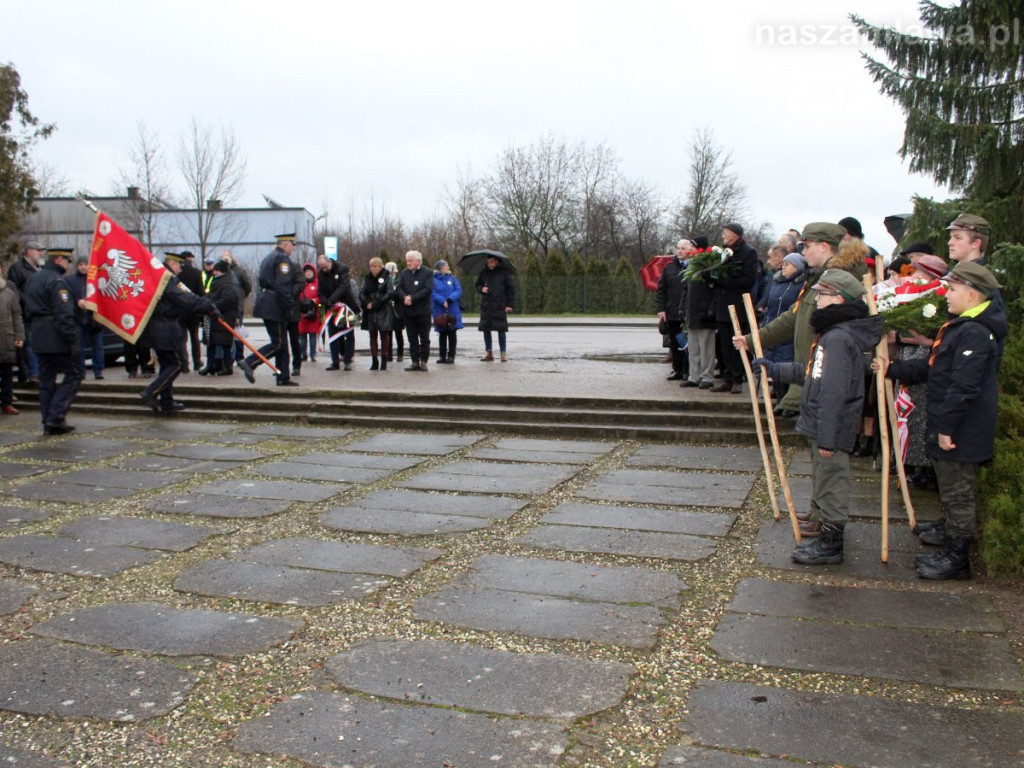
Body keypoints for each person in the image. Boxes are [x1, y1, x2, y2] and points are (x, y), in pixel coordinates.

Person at [882, 261, 1006, 580]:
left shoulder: (975, 333)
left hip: (963, 429)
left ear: (972, 294)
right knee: (950, 489)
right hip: (952, 424)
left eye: (952, 289)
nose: (946, 294)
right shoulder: (962, 326)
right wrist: (893, 369)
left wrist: (947, 427)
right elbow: (934, 368)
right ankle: (949, 538)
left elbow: (964, 386)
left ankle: (957, 558)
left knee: (958, 493)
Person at [752, 269, 883, 563]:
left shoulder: (837, 338)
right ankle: (826, 533)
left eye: (822, 294)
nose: (817, 299)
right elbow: (814, 374)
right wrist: (774, 369)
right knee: (825, 480)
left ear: (838, 299)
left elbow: (834, 391)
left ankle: (831, 544)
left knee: (832, 483)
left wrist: (827, 436)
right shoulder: (832, 333)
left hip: (831, 426)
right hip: (825, 424)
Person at [734, 223, 867, 417]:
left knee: (826, 432)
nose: (803, 253)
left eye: (807, 246)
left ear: (824, 246)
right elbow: (793, 317)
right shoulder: (818, 277)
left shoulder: (840, 282)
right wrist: (753, 340)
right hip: (809, 378)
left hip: (826, 382)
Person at [139, 253, 218, 413]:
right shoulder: (167, 279)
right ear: (172, 264)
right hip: (165, 327)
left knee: (167, 364)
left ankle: (167, 402)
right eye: (179, 266)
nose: (181, 270)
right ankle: (151, 391)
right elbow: (185, 298)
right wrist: (207, 306)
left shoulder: (157, 276)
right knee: (177, 364)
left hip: (157, 326)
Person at [23, 247, 82, 434]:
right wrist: (71, 340)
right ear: (58, 260)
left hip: (38, 334)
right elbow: (63, 313)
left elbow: (26, 309)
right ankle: (55, 416)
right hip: (56, 335)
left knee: (46, 379)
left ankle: (48, 420)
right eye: (67, 261)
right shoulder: (57, 282)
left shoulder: (33, 279)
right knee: (74, 375)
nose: (68, 265)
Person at [239, 233, 297, 386]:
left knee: (282, 344)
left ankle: (283, 377)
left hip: (268, 302)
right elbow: (283, 286)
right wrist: (289, 306)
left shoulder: (269, 257)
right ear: (285, 244)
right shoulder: (282, 259)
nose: (293, 249)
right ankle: (250, 362)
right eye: (292, 245)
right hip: (275, 304)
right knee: (278, 344)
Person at [710, 222, 760, 394]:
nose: (723, 236)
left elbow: (749, 280)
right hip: (722, 304)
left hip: (738, 304)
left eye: (726, 233)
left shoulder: (748, 252)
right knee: (724, 344)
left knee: (737, 343)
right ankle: (727, 377)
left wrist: (724, 281)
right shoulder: (722, 252)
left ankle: (738, 378)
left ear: (734, 234)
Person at [760, 252, 805, 408]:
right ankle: (779, 399)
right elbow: (770, 306)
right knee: (774, 363)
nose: (783, 267)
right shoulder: (777, 281)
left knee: (787, 363)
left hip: (789, 330)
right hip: (773, 326)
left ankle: (789, 402)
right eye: (783, 263)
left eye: (788, 264)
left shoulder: (801, 284)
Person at [7, 240, 43, 383]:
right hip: (26, 313)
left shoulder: (40, 269)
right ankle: (32, 372)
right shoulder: (17, 268)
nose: (40, 254)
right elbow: (14, 290)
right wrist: (29, 302)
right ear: (29, 252)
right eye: (38, 251)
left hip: (40, 313)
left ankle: (38, 371)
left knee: (38, 343)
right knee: (28, 344)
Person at [682, 236, 716, 389]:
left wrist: (711, 309)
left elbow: (715, 289)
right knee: (693, 348)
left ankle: (707, 376)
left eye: (693, 247)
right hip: (692, 312)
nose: (690, 250)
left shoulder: (710, 265)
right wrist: (682, 308)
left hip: (705, 313)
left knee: (706, 348)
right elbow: (686, 290)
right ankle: (694, 376)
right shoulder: (690, 266)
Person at [656, 240, 691, 382]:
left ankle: (688, 370)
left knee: (688, 344)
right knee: (675, 343)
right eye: (678, 248)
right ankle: (677, 369)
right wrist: (661, 309)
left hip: (688, 312)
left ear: (689, 250)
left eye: (683, 248)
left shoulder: (694, 267)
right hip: (672, 311)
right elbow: (661, 290)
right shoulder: (669, 268)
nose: (679, 251)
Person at [201, 260, 243, 376]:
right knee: (211, 342)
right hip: (214, 315)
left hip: (225, 316)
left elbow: (227, 300)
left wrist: (212, 306)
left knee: (225, 343)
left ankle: (227, 366)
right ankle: (210, 365)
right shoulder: (218, 281)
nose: (214, 272)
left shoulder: (229, 284)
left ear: (222, 271)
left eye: (216, 270)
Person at [67, 256, 105, 380]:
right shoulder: (70, 280)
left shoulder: (96, 279)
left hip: (95, 319)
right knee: (79, 347)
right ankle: (80, 371)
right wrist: (77, 302)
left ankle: (98, 370)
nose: (83, 267)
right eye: (81, 264)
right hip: (78, 318)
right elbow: (68, 297)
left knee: (98, 346)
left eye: (86, 264)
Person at [396, 250, 434, 371]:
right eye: (407, 261)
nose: (408, 263)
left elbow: (427, 289)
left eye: (411, 261)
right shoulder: (404, 273)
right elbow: (399, 288)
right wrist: (404, 297)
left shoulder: (428, 272)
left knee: (424, 338)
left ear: (418, 261)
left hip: (423, 311)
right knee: (412, 338)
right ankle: (414, 361)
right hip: (408, 312)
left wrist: (413, 298)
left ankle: (424, 361)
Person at [320, 256, 358, 371]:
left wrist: (332, 300)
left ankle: (348, 360)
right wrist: (326, 302)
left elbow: (343, 287)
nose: (324, 270)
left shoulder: (342, 269)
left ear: (329, 262)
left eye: (325, 267)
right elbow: (319, 291)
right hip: (331, 308)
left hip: (345, 305)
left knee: (348, 334)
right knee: (333, 334)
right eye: (322, 268)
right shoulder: (320, 274)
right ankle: (335, 361)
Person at [476, 254, 515, 362]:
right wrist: (481, 289)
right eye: (488, 262)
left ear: (497, 261)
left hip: (500, 305)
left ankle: (503, 353)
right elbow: (478, 285)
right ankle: (489, 352)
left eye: (492, 262)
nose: (489, 264)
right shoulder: (484, 272)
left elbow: (511, 290)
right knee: (486, 329)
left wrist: (509, 305)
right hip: (487, 306)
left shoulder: (504, 273)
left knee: (501, 330)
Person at [360, 256, 394, 370]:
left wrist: (376, 303)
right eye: (372, 266)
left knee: (384, 336)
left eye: (376, 266)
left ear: (381, 267)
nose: (374, 269)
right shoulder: (367, 278)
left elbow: (389, 293)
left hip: (383, 309)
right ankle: (374, 360)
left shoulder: (387, 277)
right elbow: (362, 293)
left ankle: (384, 360)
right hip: (370, 311)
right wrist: (366, 303)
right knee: (372, 336)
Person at [220, 250, 252, 363]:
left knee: (238, 331)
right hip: (225, 306)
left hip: (237, 305)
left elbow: (248, 286)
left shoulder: (239, 271)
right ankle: (228, 357)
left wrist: (241, 296)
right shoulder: (220, 271)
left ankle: (239, 356)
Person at [0, 271, 24, 415]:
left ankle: (7, 402)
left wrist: (19, 335)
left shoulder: (9, 293)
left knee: (7, 373)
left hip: (6, 337)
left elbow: (17, 315)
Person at [178, 251, 205, 372]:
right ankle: (197, 362)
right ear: (190, 259)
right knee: (194, 337)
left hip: (180, 310)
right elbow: (201, 292)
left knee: (182, 338)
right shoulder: (197, 273)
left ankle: (184, 364)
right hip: (193, 310)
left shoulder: (177, 274)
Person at [432, 259, 463, 364]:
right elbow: (432, 292)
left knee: (452, 332)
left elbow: (458, 290)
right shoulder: (433, 280)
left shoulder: (453, 278)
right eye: (446, 266)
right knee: (442, 333)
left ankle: (451, 356)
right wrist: (442, 301)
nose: (448, 267)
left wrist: (450, 299)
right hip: (439, 309)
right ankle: (442, 356)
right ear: (440, 268)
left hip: (452, 308)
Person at [297, 263, 321, 364]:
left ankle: (313, 354)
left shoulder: (317, 284)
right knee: (302, 335)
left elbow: (321, 295)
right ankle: (303, 354)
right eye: (307, 272)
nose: (308, 273)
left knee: (312, 335)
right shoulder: (301, 284)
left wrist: (315, 301)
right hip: (302, 313)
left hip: (313, 312)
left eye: (310, 272)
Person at [385, 261, 405, 362]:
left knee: (398, 333)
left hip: (397, 309)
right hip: (387, 309)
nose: (392, 274)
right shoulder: (384, 281)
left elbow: (402, 294)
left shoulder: (400, 281)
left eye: (393, 272)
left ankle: (400, 354)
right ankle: (389, 354)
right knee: (388, 333)